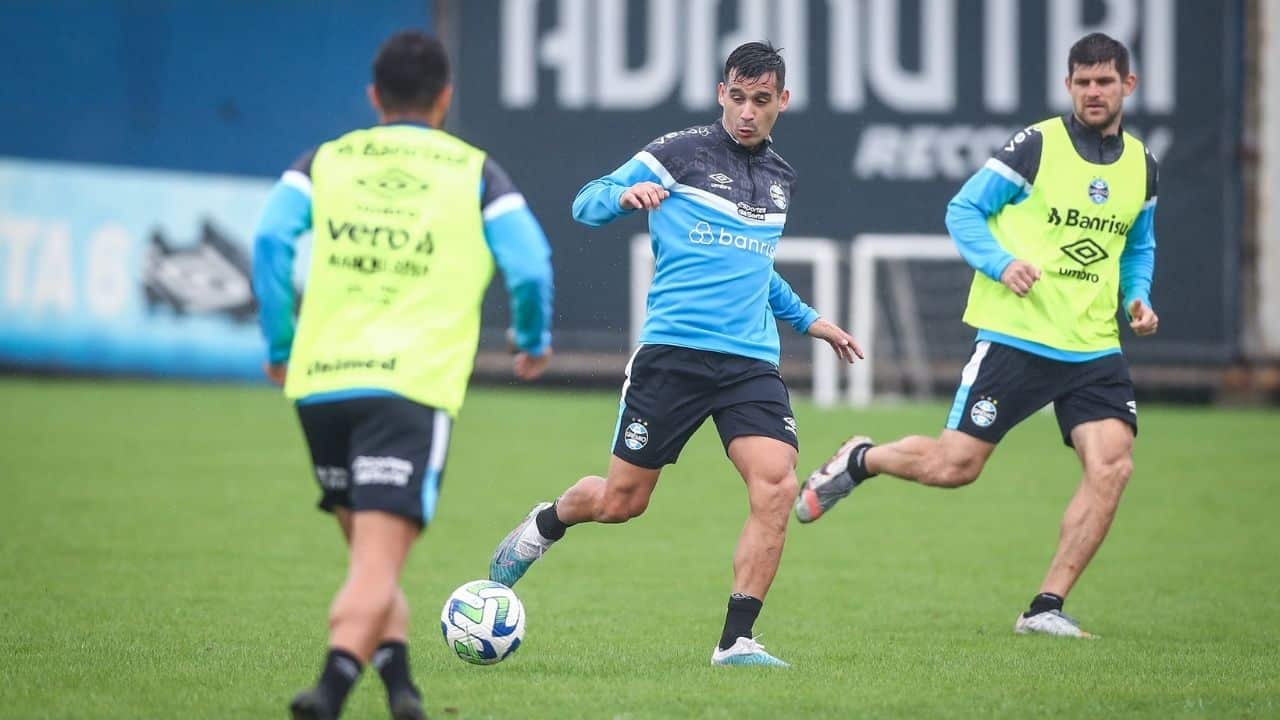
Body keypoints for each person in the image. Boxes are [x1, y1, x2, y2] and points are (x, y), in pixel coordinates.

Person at [488, 42, 862, 667]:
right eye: (737, 97)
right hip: (674, 355)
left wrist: (811, 321)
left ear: (782, 102)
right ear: (722, 93)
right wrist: (622, 197)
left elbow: (755, 268)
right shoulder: (678, 153)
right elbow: (586, 201)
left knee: (776, 486)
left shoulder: (780, 179)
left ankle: (735, 641)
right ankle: (549, 520)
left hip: (749, 363)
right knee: (622, 501)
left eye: (761, 101)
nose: (747, 112)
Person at [795, 33, 1159, 639]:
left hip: (1094, 346)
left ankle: (1045, 607)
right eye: (1083, 81)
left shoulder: (1142, 165)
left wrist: (1136, 296)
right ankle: (861, 459)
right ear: (1069, 86)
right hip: (1018, 336)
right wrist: (1001, 264)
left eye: (1106, 81)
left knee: (1112, 467)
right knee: (954, 466)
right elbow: (963, 210)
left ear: (1129, 85)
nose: (1095, 92)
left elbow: (1138, 245)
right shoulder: (1037, 146)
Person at [251, 30, 554, 720]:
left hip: (321, 383)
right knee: (376, 565)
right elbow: (531, 263)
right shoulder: (475, 171)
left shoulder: (324, 161)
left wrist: (279, 341)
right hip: (408, 388)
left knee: (368, 555)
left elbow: (270, 238)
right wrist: (531, 340)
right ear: (445, 97)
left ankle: (402, 691)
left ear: (373, 97)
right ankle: (328, 690)